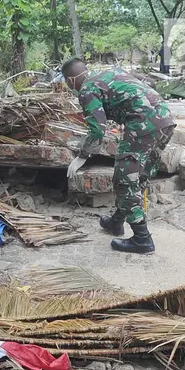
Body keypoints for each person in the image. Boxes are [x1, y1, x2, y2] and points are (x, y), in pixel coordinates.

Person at [62, 58, 176, 254]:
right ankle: (116, 222)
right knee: (137, 178)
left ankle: (142, 239)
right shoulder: (109, 73)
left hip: (142, 124)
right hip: (165, 120)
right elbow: (144, 82)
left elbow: (98, 129)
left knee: (124, 181)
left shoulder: (87, 90)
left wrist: (82, 156)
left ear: (71, 81)